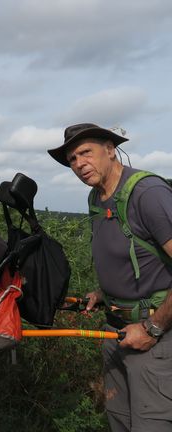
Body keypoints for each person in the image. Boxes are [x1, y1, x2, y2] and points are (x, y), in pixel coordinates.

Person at [48, 123, 172, 432]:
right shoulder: (97, 198)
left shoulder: (148, 193)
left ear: (110, 149)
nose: (78, 164)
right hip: (116, 332)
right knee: (121, 422)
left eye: (85, 152)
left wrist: (154, 328)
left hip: (154, 337)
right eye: (72, 159)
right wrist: (105, 293)